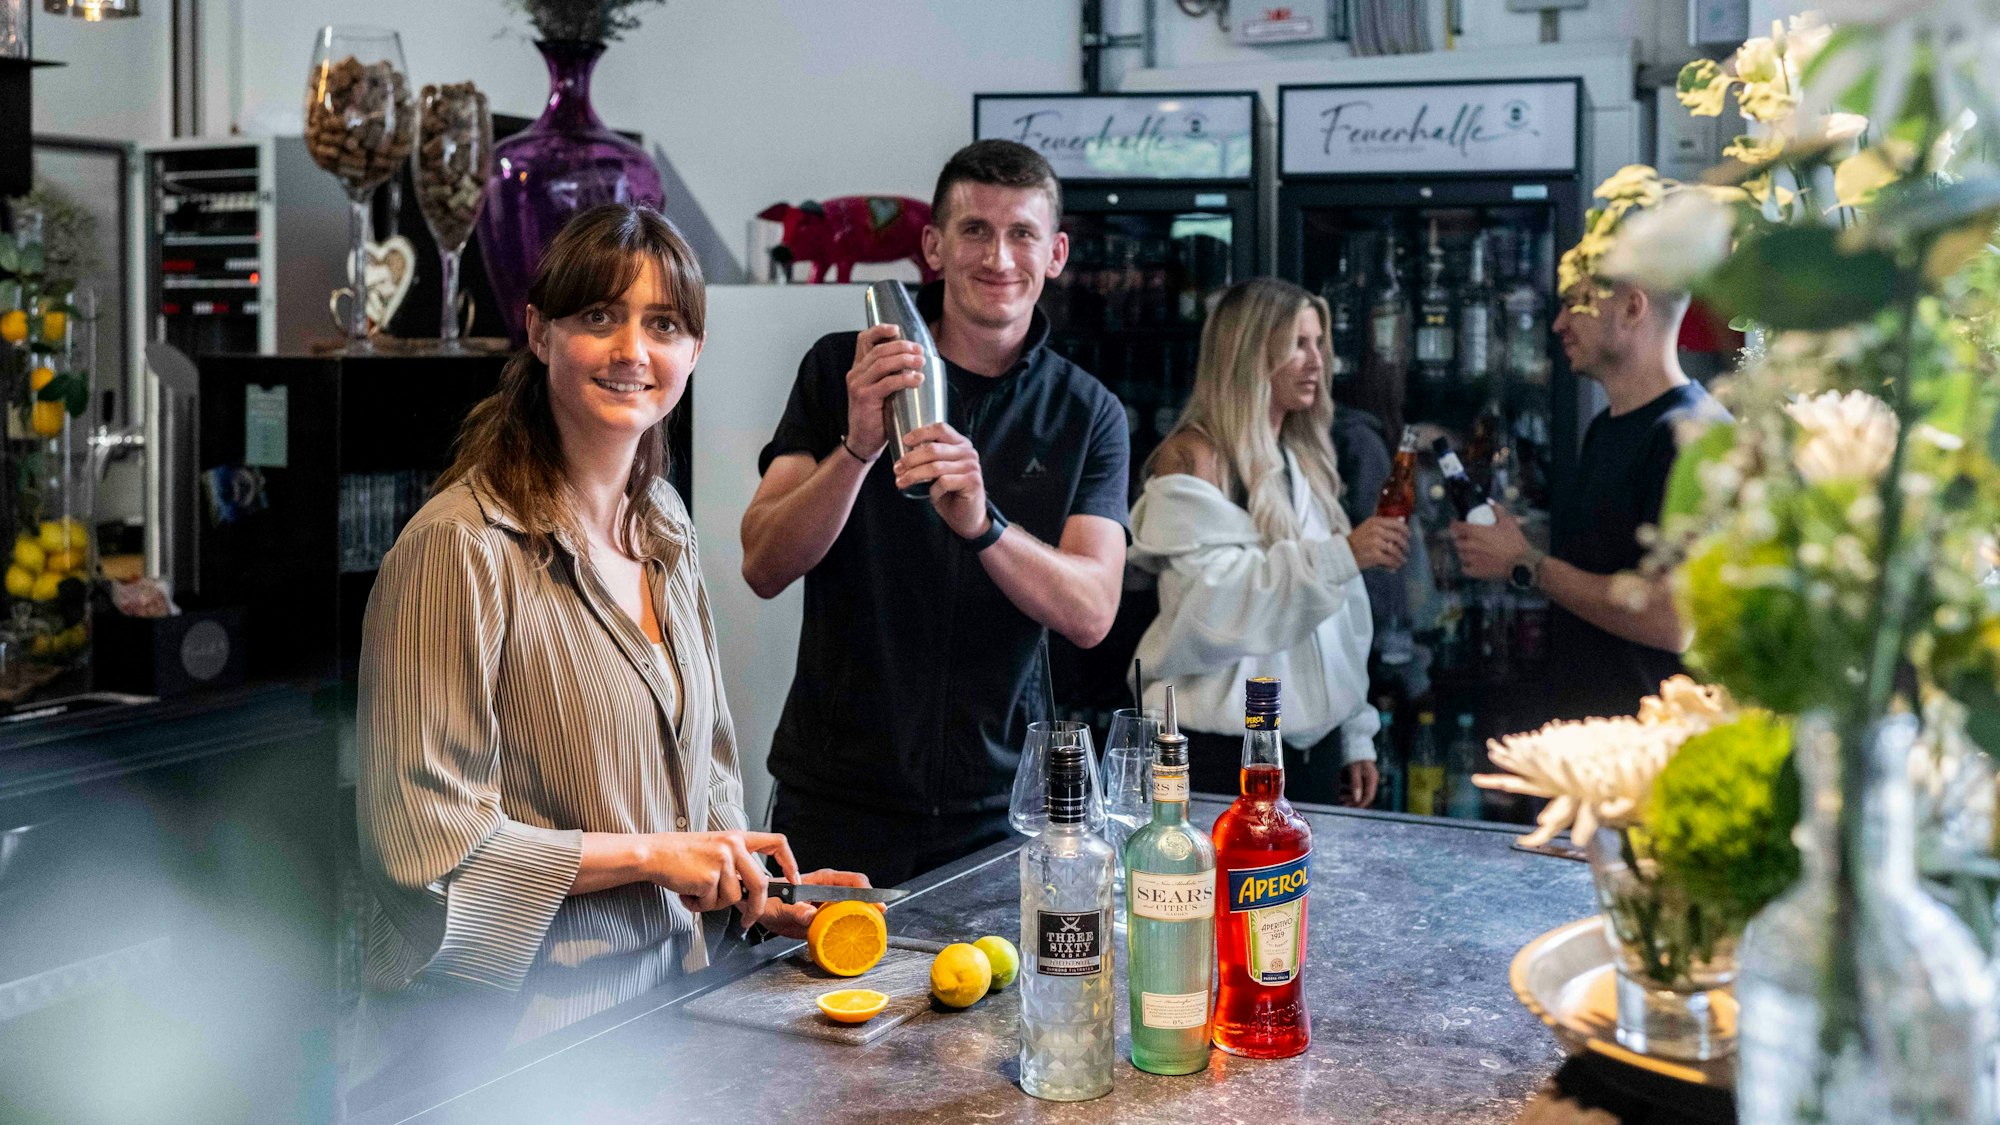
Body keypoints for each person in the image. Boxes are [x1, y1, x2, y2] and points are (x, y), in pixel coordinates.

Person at [354, 205, 867, 1090]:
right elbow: (423, 850)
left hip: (663, 1019)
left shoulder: (660, 521)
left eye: (663, 323)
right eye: (600, 316)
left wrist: (748, 885)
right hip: (508, 1057)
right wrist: (652, 853)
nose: (633, 349)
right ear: (540, 332)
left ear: (693, 352)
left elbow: (697, 768)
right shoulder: (461, 549)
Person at [741, 140, 1130, 886]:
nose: (999, 256)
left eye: (1022, 234)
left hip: (1003, 811)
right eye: (975, 230)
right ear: (934, 246)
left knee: (991, 1001)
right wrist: (856, 448)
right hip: (835, 800)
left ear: (1055, 253)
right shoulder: (843, 369)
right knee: (796, 1004)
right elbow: (762, 562)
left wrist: (985, 526)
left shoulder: (1089, 413)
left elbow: (1091, 610)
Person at [1130, 278, 1410, 806]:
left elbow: (1339, 622)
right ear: (1248, 352)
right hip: (1220, 755)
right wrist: (1341, 556)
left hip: (1312, 753)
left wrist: (1354, 732)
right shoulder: (1195, 457)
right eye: (1297, 344)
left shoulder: (1302, 459)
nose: (1316, 362)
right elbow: (1212, 606)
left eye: (1318, 344)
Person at [1450, 275, 1727, 721]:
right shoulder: (1605, 428)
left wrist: (1526, 564)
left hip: (1653, 753)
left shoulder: (1693, 436)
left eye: (1577, 303)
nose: (1558, 323)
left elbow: (1673, 620)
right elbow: (1606, 555)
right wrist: (1516, 538)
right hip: (1595, 737)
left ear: (1633, 308)